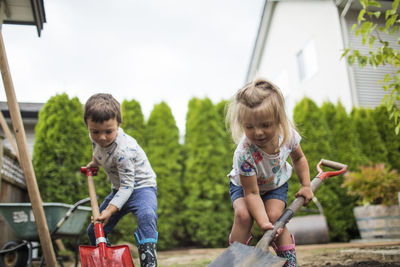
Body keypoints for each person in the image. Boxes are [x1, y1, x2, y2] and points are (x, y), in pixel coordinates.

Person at [226, 78, 314, 267]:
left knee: (277, 220)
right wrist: (262, 221)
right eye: (249, 127)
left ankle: (290, 262)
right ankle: (235, 260)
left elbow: (299, 159)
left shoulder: (288, 136)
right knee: (243, 215)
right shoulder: (244, 153)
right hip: (245, 188)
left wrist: (306, 186)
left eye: (265, 125)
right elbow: (251, 193)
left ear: (278, 119)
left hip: (275, 184)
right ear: (242, 123)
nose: (258, 132)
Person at [84, 93, 158, 267]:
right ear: (88, 126)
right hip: (120, 190)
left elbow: (128, 186)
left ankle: (149, 263)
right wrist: (94, 163)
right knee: (94, 231)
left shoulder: (122, 151)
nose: (102, 137)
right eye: (95, 131)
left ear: (118, 124)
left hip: (142, 188)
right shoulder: (95, 139)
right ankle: (108, 262)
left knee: (147, 215)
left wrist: (109, 210)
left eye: (108, 131)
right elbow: (99, 151)